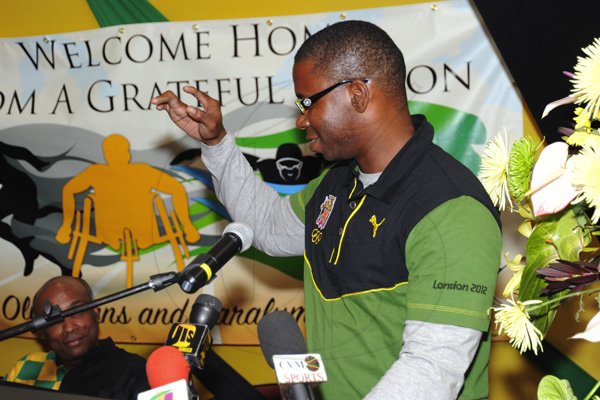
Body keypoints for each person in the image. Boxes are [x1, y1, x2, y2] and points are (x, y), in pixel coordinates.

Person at [152, 20, 502, 399]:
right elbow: (266, 226)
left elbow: (433, 368)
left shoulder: (451, 209)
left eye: (307, 102)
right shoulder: (338, 184)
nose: (301, 120)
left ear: (357, 94)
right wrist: (218, 144)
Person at [4, 276, 150, 399]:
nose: (69, 327)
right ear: (41, 332)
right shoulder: (26, 367)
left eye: (77, 311)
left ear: (95, 312)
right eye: (54, 321)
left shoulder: (134, 371)